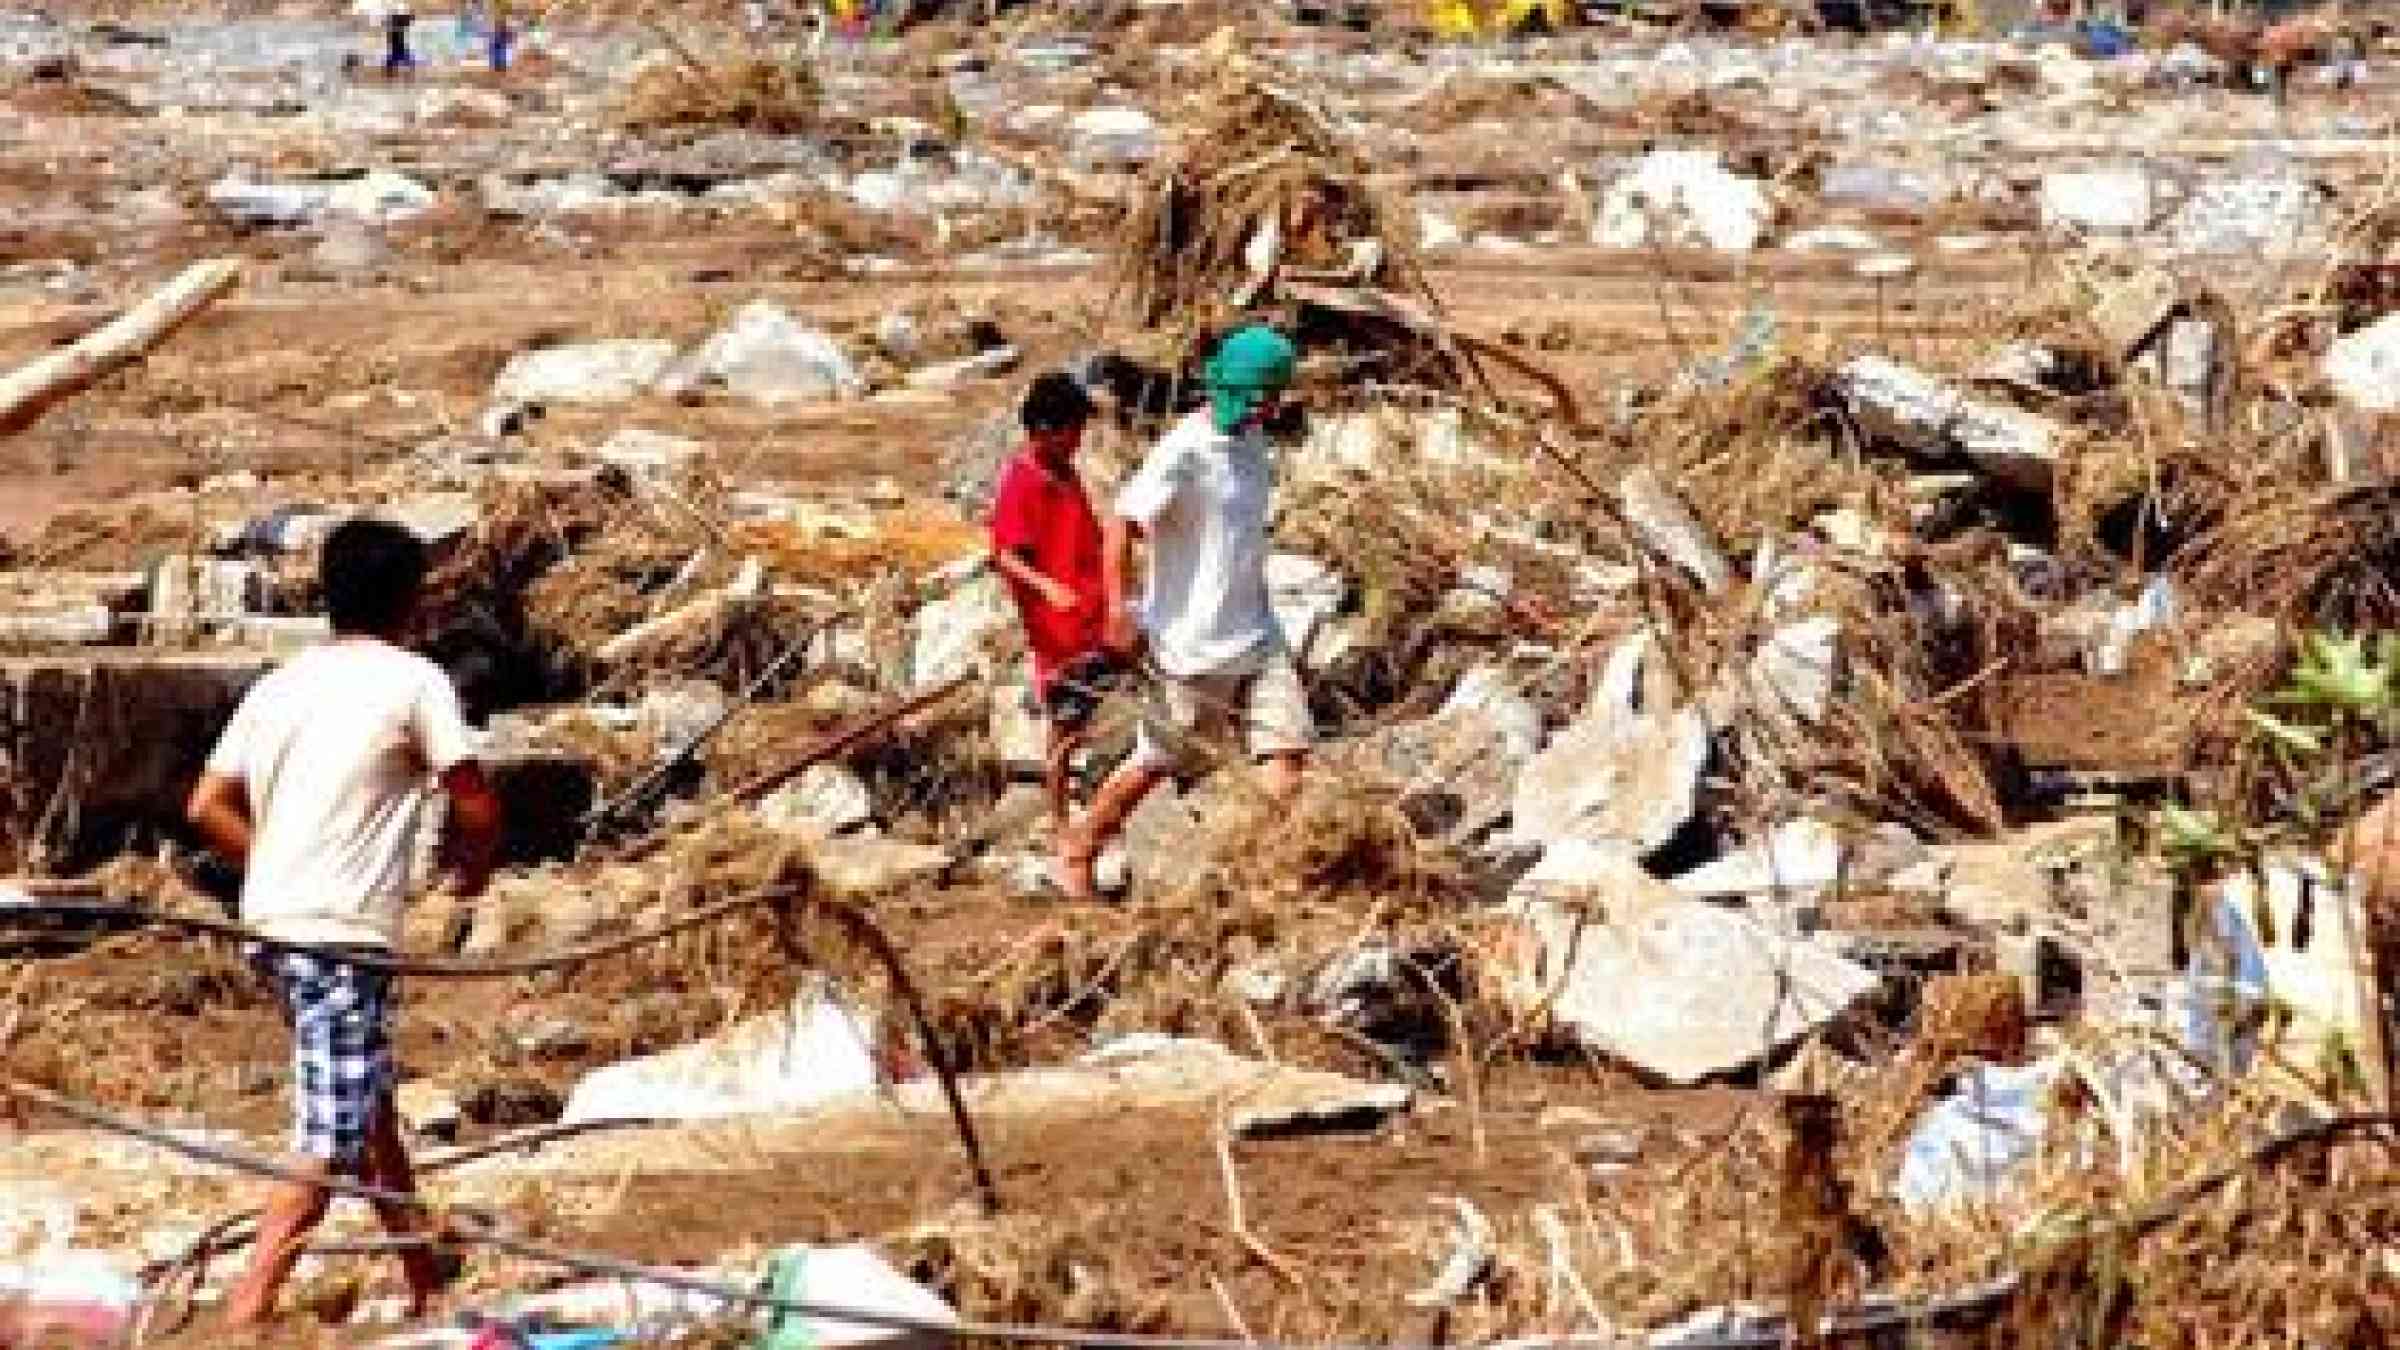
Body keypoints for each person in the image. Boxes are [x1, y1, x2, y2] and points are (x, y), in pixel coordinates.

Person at [185, 517, 502, 1329]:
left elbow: (206, 806)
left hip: (272, 927)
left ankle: (424, 1277)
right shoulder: (414, 681)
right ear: (413, 600)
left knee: (369, 1109)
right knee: (330, 1133)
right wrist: (472, 873)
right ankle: (247, 1309)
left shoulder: (280, 684)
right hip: (339, 937)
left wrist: (279, 864)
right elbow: (474, 799)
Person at [1054, 325, 1311, 900]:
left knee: (1288, 757)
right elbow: (1121, 522)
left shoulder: (1252, 443)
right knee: (1158, 762)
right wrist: (1120, 609)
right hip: (1193, 643)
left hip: (1258, 634)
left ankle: (1258, 876)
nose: (1271, 408)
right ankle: (1081, 845)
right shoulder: (1184, 450)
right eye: (1265, 397)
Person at [989, 371, 1109, 835]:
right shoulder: (1023, 481)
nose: (1078, 439)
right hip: (1059, 631)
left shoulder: (1065, 474)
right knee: (1064, 725)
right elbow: (1004, 555)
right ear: (1043, 429)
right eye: (1072, 430)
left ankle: (1080, 803)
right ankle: (1059, 819)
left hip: (1090, 616)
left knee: (1087, 720)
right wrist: (1047, 588)